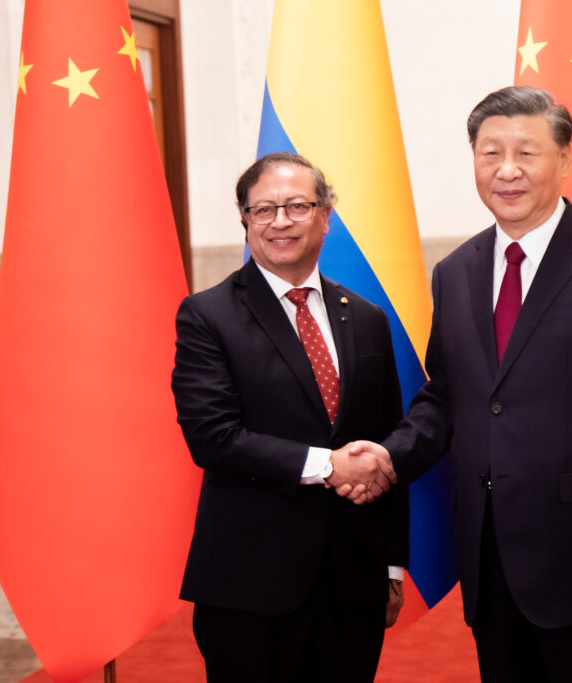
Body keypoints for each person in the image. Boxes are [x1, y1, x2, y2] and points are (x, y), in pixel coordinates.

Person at [341, 86, 572, 682]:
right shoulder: (455, 272)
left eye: (526, 153)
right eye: (490, 153)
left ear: (564, 158)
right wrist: (388, 456)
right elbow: (448, 395)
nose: (507, 170)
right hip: (491, 556)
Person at [171, 151, 407, 682]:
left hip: (353, 583)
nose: (280, 221)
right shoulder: (207, 315)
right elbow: (213, 438)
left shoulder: (366, 317)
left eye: (298, 206)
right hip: (250, 586)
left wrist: (391, 565)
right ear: (245, 220)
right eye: (264, 209)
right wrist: (329, 465)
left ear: (326, 216)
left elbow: (387, 444)